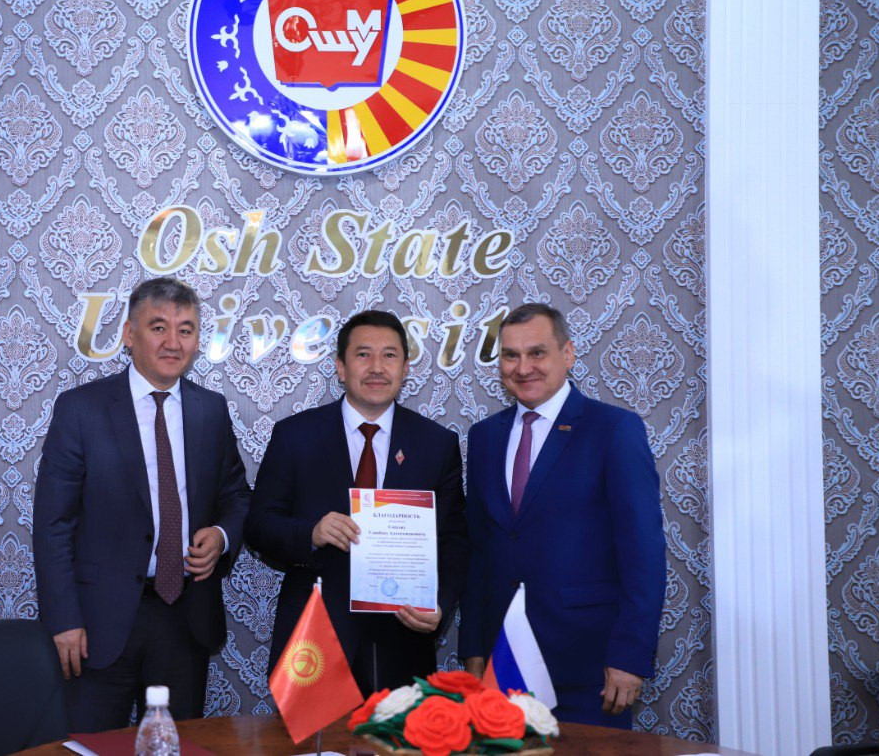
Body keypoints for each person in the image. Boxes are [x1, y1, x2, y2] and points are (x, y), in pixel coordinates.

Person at [33, 278, 251, 732]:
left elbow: (236, 496)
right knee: (91, 747)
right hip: (98, 623)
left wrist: (222, 536)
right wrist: (64, 620)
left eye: (186, 330)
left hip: (184, 619)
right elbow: (53, 523)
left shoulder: (211, 410)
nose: (173, 342)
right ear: (129, 335)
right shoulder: (81, 409)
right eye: (158, 327)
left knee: (175, 744)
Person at [459, 303, 665, 728]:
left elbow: (643, 551)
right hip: (502, 664)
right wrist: (474, 648)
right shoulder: (484, 437)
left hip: (589, 668)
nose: (523, 368)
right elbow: (479, 549)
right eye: (511, 355)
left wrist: (629, 655)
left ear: (567, 354)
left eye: (537, 353)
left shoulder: (613, 429)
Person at [244, 310, 468, 695]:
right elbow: (258, 525)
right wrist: (311, 533)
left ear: (405, 368)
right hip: (314, 639)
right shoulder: (295, 436)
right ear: (340, 367)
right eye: (363, 354)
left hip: (402, 642)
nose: (377, 367)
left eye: (389, 355)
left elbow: (453, 541)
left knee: (399, 736)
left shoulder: (436, 444)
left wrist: (440, 605)